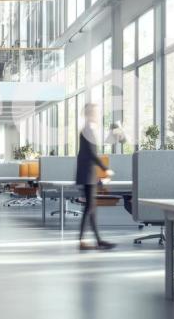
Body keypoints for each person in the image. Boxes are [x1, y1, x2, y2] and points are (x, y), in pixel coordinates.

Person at [75, 103, 116, 250]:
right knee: (90, 208)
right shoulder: (87, 131)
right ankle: (86, 240)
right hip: (87, 174)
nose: (99, 116)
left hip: (87, 173)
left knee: (91, 208)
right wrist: (106, 169)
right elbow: (92, 154)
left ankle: (95, 240)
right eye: (96, 113)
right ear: (90, 114)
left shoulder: (87, 130)